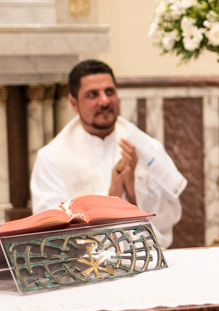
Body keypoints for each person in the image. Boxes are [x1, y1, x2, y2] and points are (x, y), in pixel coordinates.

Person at [30, 60, 185, 248]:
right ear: (74, 103)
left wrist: (134, 191)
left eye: (109, 92)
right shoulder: (51, 158)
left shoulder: (147, 147)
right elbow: (49, 231)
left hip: (147, 258)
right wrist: (111, 197)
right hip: (85, 269)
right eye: (92, 95)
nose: (104, 101)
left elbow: (170, 216)